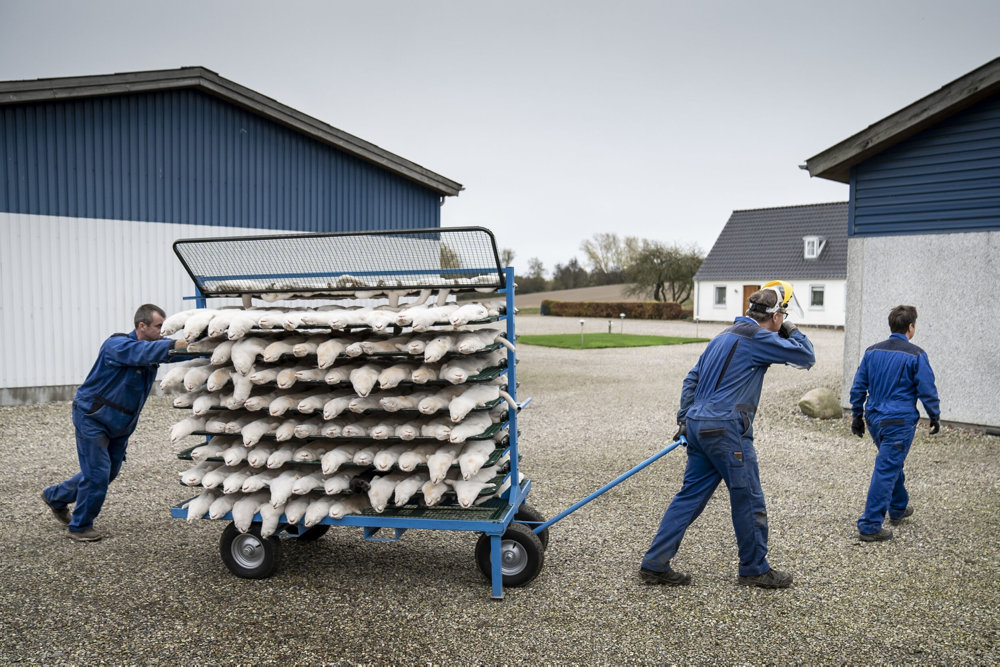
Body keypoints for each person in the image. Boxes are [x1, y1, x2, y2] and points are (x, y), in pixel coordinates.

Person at [640, 282, 815, 589]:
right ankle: (755, 569)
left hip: (697, 425)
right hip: (726, 430)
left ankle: (655, 562)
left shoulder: (721, 336)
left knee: (689, 497)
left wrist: (685, 419)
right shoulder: (759, 337)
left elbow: (691, 379)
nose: (783, 320)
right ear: (775, 317)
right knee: (747, 497)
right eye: (782, 314)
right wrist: (791, 328)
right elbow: (806, 356)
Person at [41, 304, 189, 542]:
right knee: (98, 473)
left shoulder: (150, 349)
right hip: (93, 417)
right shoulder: (117, 345)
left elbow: (168, 352)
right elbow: (146, 352)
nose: (164, 331)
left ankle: (55, 497)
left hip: (120, 423)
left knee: (108, 472)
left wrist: (205, 348)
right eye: (159, 326)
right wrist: (178, 344)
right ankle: (79, 526)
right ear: (142, 326)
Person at [849, 305, 940, 542]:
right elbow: (927, 390)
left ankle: (898, 507)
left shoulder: (871, 352)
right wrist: (935, 415)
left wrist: (856, 415)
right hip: (899, 422)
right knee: (887, 467)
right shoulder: (916, 354)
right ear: (911, 327)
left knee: (890, 462)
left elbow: (859, 386)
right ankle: (869, 525)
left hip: (874, 420)